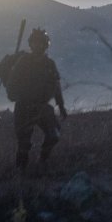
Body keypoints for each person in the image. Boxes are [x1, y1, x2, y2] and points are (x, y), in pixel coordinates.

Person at [6, 27, 66, 172]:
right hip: (24, 106)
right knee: (24, 143)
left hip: (42, 107)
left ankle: (42, 162)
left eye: (40, 43)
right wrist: (16, 94)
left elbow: (56, 85)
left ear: (45, 44)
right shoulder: (23, 62)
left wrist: (61, 105)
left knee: (53, 135)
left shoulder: (49, 64)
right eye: (35, 42)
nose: (37, 45)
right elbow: (12, 83)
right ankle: (20, 173)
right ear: (31, 44)